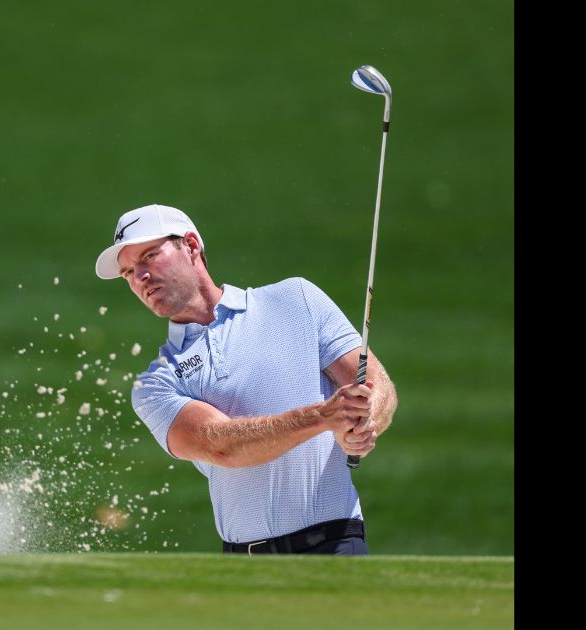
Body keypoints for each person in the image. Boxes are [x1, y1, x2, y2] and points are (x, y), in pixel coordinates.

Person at [94, 204, 398, 555]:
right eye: (128, 272)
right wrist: (325, 417)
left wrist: (364, 421)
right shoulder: (156, 383)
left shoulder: (296, 299)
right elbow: (221, 446)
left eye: (149, 257)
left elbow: (377, 386)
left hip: (337, 544)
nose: (140, 277)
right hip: (245, 563)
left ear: (191, 246)